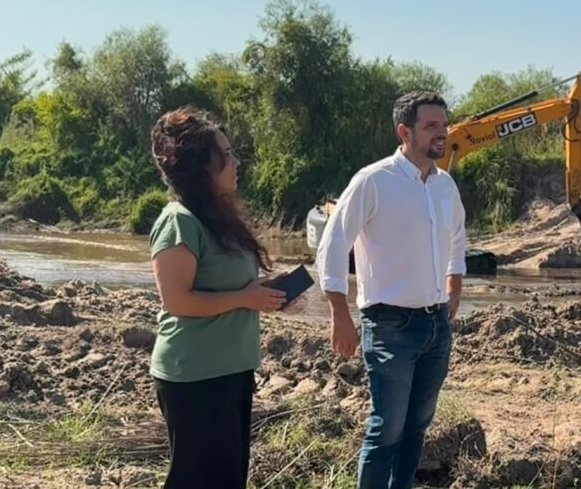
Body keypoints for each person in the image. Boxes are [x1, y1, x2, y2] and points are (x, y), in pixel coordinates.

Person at [316, 91, 466, 489]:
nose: (442, 133)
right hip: (389, 326)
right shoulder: (373, 181)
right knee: (386, 431)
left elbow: (457, 238)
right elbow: (332, 245)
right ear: (405, 132)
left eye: (444, 124)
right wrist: (339, 312)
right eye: (431, 126)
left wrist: (455, 285)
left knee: (417, 428)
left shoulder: (445, 185)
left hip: (436, 326)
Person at [148, 107, 287, 489]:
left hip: (231, 370)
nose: (237, 161)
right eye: (228, 153)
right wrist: (245, 297)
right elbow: (177, 301)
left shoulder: (219, 220)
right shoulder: (179, 221)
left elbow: (233, 288)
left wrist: (265, 293)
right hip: (194, 375)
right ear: (202, 165)